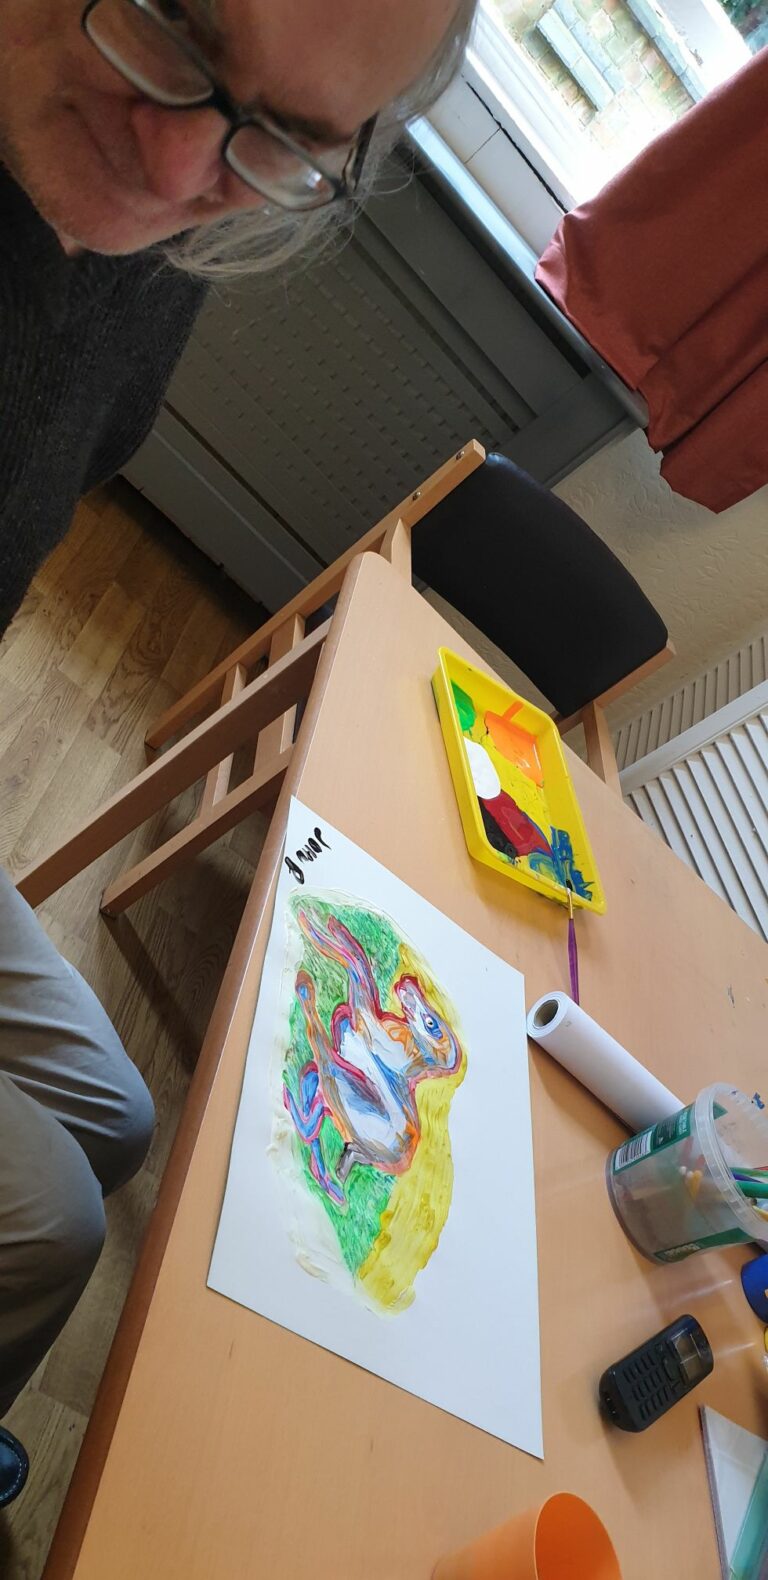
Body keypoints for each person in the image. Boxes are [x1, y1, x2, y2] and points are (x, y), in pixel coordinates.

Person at [0, 0, 477, 1508]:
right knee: (48, 1221)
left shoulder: (149, 262)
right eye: (171, 24)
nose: (174, 165)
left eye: (282, 135)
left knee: (119, 1115)